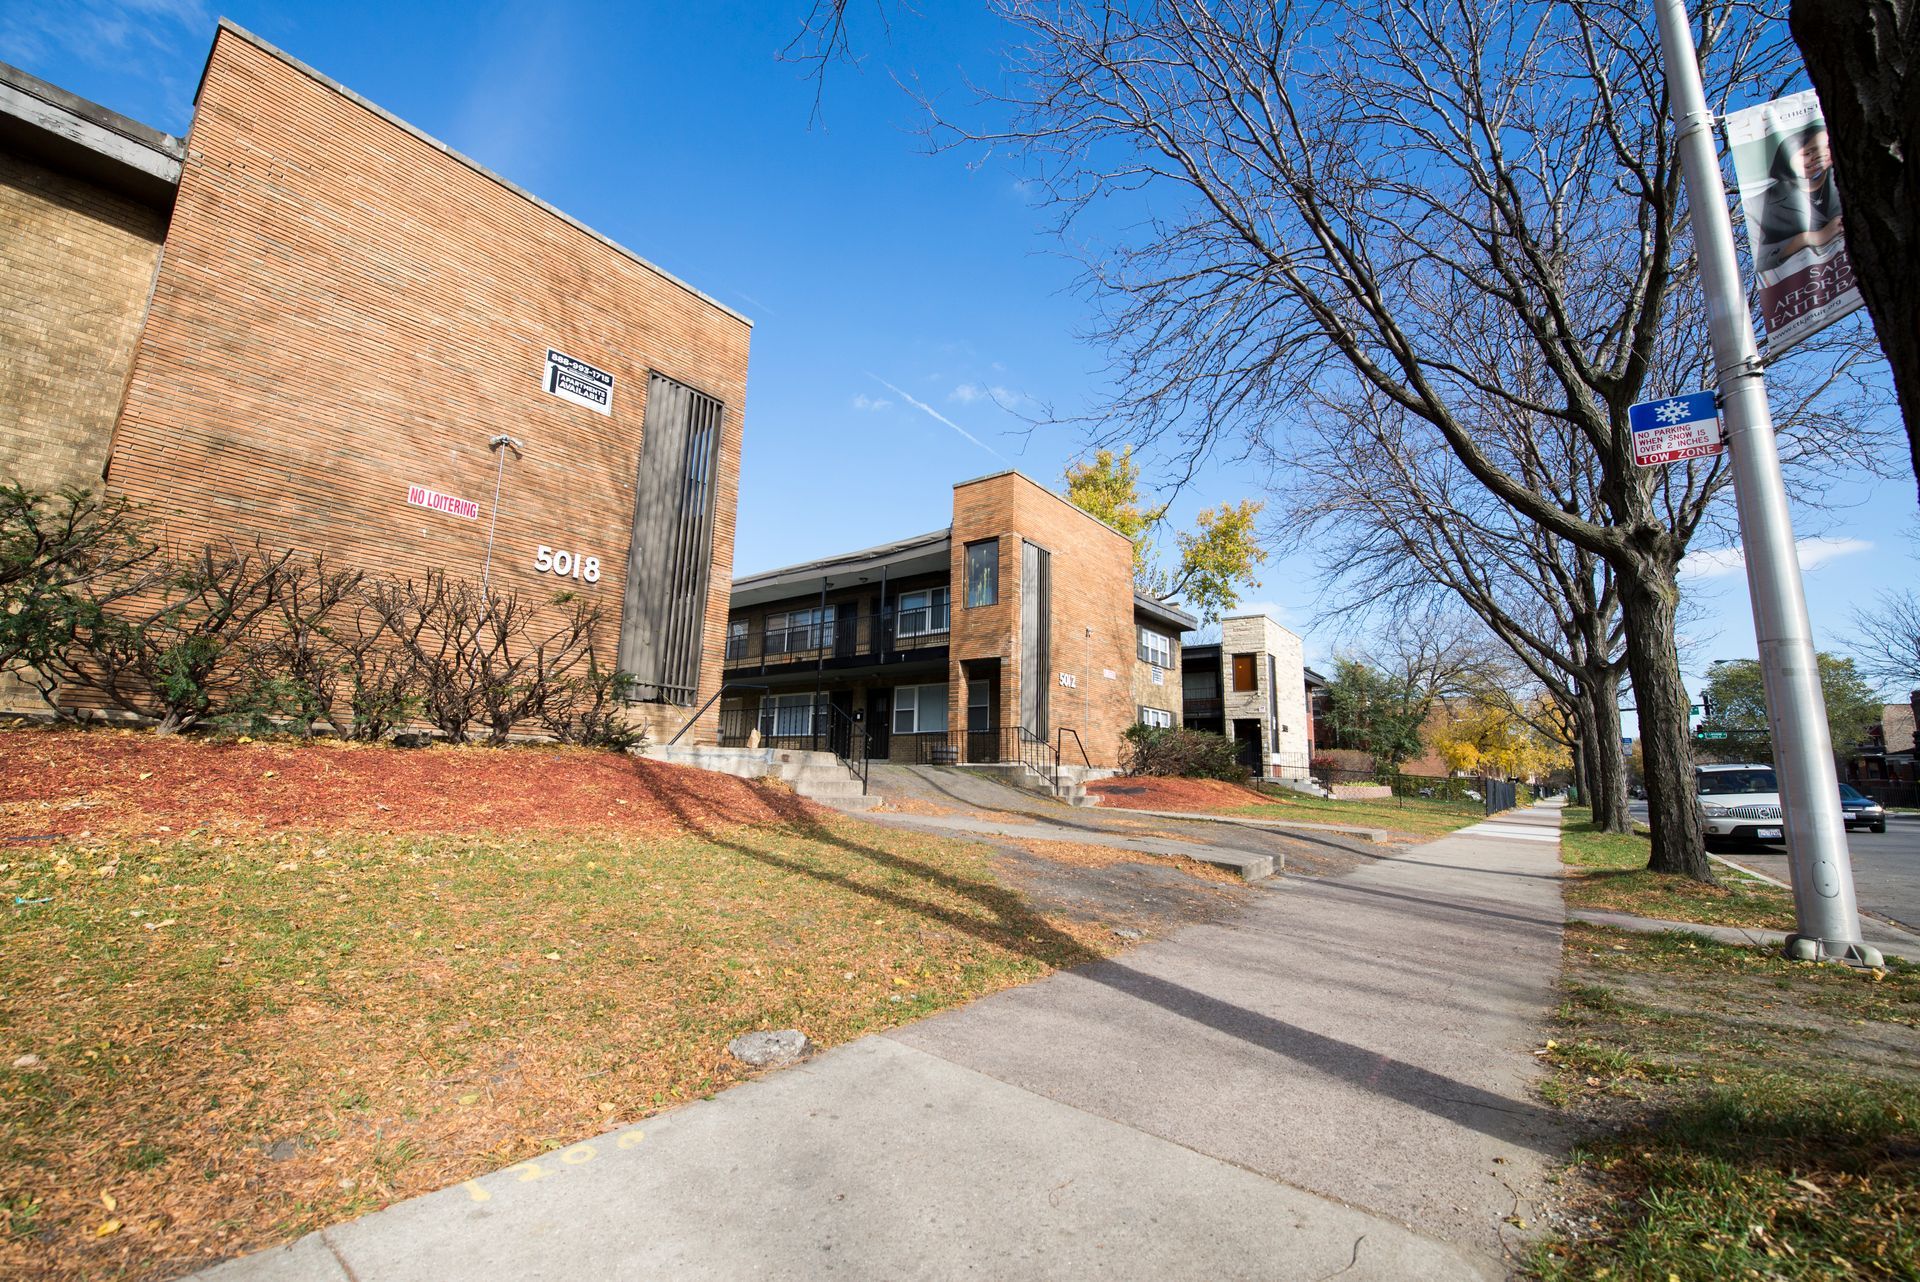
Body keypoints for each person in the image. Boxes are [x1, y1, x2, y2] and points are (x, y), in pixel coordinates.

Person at [1755, 123, 1845, 273]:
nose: (1820, 157)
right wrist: (1806, 239)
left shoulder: (1846, 180)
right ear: (1786, 159)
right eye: (1808, 153)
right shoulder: (1758, 204)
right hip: (1810, 281)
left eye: (1827, 148)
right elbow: (1758, 260)